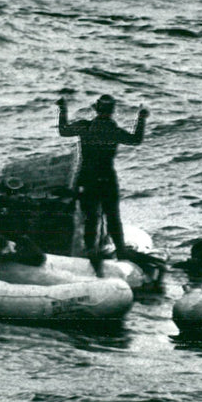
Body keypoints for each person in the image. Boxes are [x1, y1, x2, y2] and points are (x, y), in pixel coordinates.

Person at [57, 94, 149, 276]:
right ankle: (121, 250)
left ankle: (91, 251)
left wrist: (62, 110)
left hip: (88, 178)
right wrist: (141, 119)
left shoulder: (85, 127)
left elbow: (63, 130)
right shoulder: (113, 130)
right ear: (112, 111)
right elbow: (135, 139)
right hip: (107, 177)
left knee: (91, 216)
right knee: (113, 215)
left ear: (96, 109)